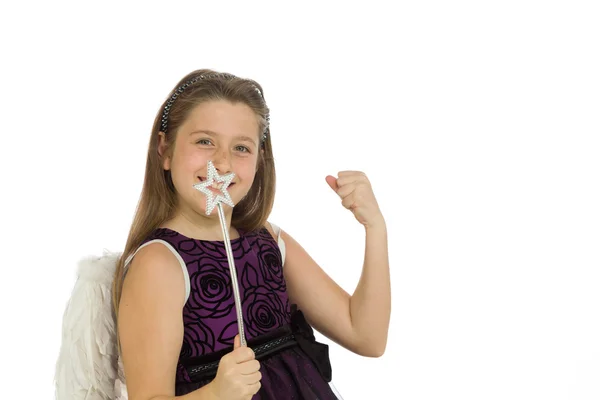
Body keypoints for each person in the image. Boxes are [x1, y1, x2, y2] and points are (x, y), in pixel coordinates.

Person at [63, 68, 391, 400]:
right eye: (204, 141)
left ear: (260, 160)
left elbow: (367, 336)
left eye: (241, 148)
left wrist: (374, 227)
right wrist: (216, 394)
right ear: (164, 150)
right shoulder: (159, 263)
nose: (221, 163)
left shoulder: (269, 242)